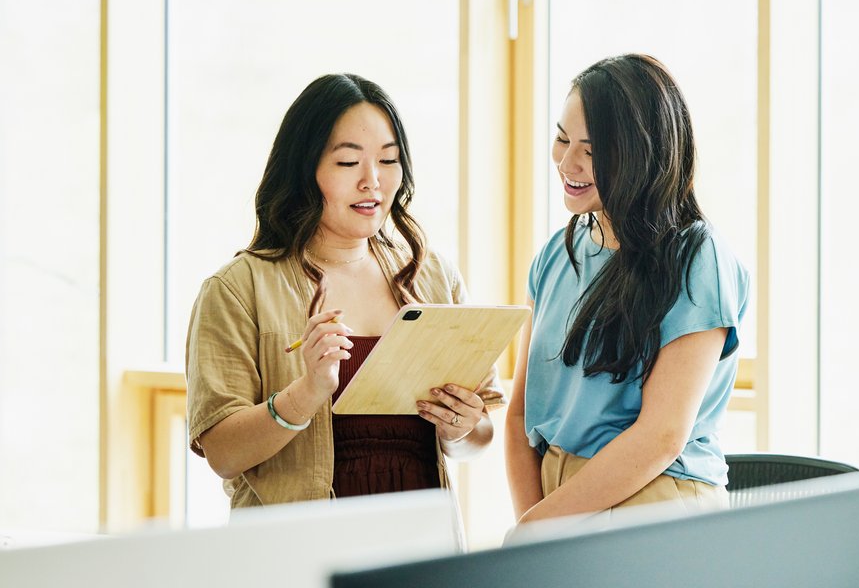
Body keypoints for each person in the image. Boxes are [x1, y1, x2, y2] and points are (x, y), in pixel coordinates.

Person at [186, 73, 503, 509]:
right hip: (301, 542)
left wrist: (461, 427)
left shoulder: (434, 277)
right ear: (304, 169)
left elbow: (477, 437)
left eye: (388, 160)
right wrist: (307, 392)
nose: (372, 180)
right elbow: (223, 454)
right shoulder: (237, 289)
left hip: (423, 532)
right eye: (349, 162)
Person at [505, 54, 750, 526]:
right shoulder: (556, 253)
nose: (567, 162)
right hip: (559, 499)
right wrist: (532, 524)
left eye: (593, 151)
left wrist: (536, 528)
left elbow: (661, 437)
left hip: (653, 497)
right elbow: (520, 419)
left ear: (643, 154)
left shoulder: (697, 257)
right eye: (562, 139)